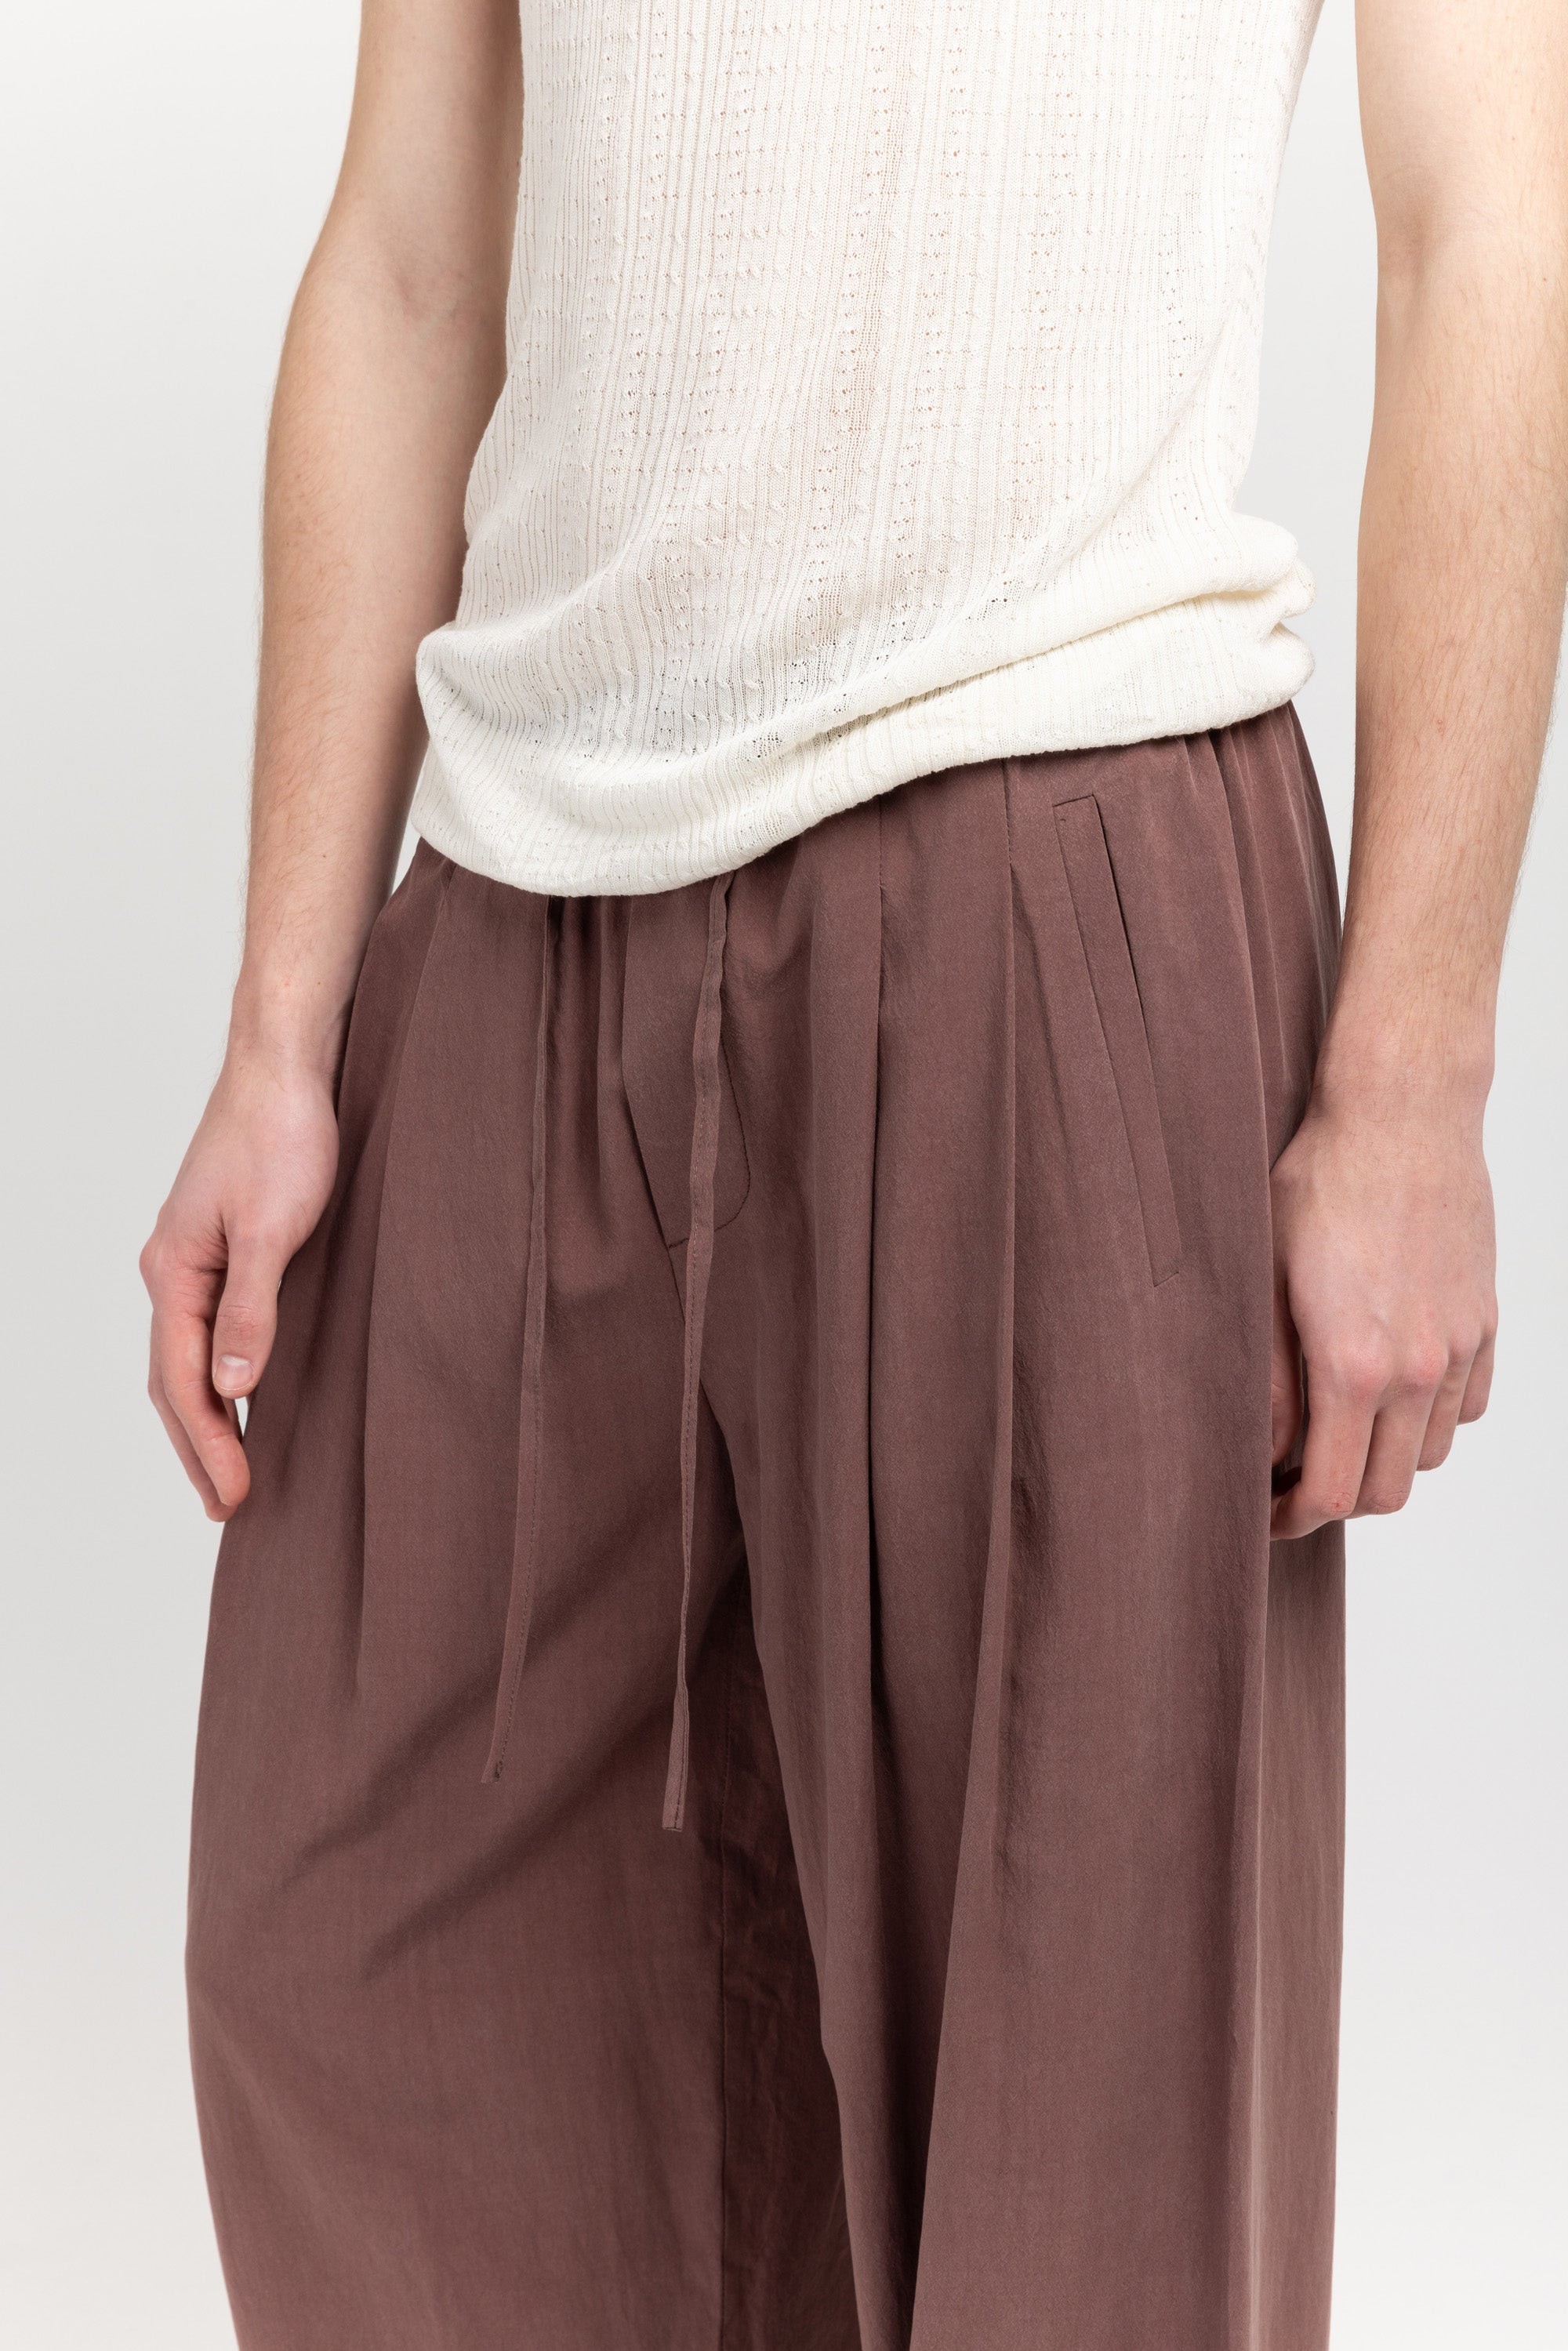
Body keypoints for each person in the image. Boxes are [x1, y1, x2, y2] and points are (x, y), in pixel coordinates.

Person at [140, 2, 1567, 2344]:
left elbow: (1489, 229)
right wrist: (281, 1039)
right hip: (526, 892)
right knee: (355, 1983)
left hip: (1061, 864)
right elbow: (408, 248)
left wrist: (1414, 1076)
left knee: (1080, 2156)